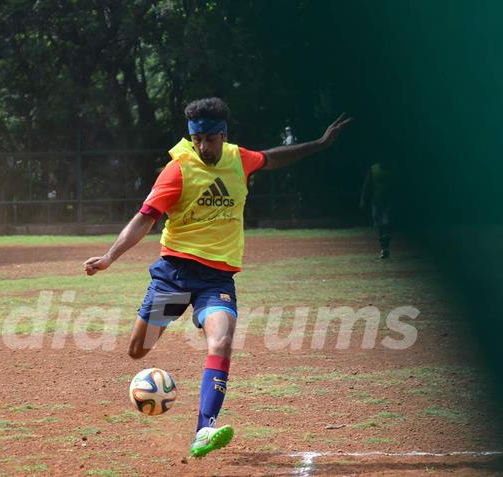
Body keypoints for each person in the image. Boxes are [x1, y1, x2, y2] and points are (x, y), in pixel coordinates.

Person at [83, 98, 352, 457]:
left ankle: (203, 430)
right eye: (198, 140)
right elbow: (145, 218)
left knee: (221, 342)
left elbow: (273, 157)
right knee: (137, 351)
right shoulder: (177, 170)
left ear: (223, 135)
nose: (204, 147)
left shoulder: (239, 159)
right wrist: (109, 257)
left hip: (217, 280)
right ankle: (153, 381)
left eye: (211, 139)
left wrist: (319, 144)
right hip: (174, 276)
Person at [360, 160, 394, 258]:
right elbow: (367, 184)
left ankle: (386, 245)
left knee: (386, 222)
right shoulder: (373, 169)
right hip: (376, 201)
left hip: (388, 200)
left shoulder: (392, 168)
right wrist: (363, 199)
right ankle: (383, 248)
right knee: (378, 224)